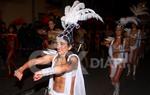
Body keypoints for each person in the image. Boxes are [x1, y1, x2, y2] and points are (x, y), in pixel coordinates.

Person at [107, 24, 129, 95]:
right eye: (116, 30)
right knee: (112, 77)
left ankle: (117, 90)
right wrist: (108, 45)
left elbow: (128, 49)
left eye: (119, 30)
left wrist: (119, 51)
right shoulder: (113, 40)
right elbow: (109, 48)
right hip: (113, 60)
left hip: (120, 61)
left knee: (116, 78)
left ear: (122, 31)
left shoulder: (125, 40)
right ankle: (116, 86)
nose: (117, 31)